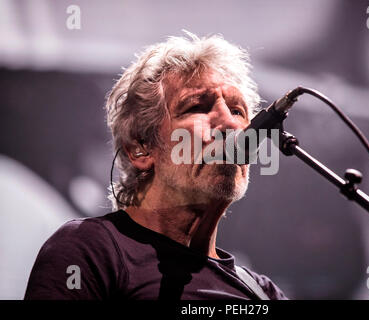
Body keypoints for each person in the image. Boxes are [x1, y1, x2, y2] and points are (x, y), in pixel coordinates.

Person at [24, 32, 288, 300]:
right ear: (141, 149)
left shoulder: (263, 293)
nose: (230, 125)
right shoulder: (89, 249)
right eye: (197, 107)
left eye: (237, 111)